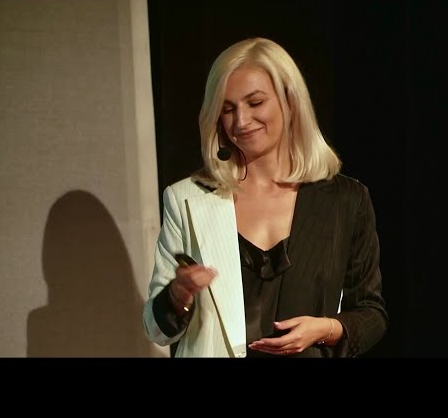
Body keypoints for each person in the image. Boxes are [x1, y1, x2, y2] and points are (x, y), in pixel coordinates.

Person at [142, 37, 388, 357]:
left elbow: (371, 314)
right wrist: (178, 295)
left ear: (290, 101)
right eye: (228, 109)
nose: (241, 121)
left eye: (255, 103)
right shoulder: (186, 199)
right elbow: (156, 329)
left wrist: (326, 329)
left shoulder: (346, 200)